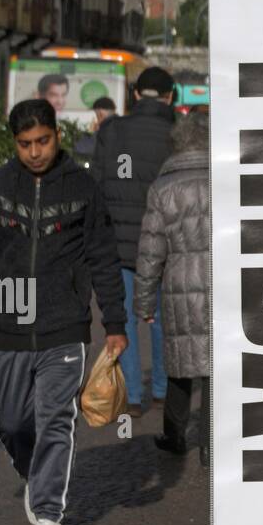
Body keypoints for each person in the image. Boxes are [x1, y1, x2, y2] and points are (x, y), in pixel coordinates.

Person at [0, 99, 127, 525]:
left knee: (56, 417)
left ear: (57, 135)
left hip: (65, 322)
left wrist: (114, 322)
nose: (35, 151)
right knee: (11, 421)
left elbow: (104, 257)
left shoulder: (83, 187)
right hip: (11, 314)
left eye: (43, 141)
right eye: (25, 144)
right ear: (16, 143)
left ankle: (50, 512)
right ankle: (35, 475)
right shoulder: (0, 184)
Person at [90, 65, 175, 418]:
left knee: (123, 319)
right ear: (171, 96)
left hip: (120, 242)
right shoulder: (175, 132)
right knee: (159, 316)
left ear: (136, 95)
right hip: (166, 241)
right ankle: (162, 391)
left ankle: (133, 396)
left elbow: (95, 184)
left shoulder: (112, 130)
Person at [134, 110, 210, 467]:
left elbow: (151, 251)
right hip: (221, 280)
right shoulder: (224, 181)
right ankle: (212, 442)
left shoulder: (163, 188)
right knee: (217, 368)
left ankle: (175, 435)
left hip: (179, 283)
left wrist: (144, 303)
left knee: (180, 366)